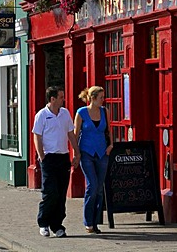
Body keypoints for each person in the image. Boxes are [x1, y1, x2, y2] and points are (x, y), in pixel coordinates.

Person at [32, 86, 80, 238]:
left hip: (63, 157)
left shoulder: (65, 114)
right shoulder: (41, 115)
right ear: (52, 99)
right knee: (50, 192)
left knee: (60, 194)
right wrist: (42, 156)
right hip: (49, 158)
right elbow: (37, 137)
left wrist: (76, 153)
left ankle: (57, 225)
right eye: (60, 97)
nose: (63, 99)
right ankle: (43, 223)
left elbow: (71, 134)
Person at [74, 86, 113, 234]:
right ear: (93, 98)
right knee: (92, 185)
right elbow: (75, 134)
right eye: (101, 97)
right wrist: (76, 154)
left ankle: (96, 222)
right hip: (86, 153)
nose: (103, 100)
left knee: (99, 188)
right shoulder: (81, 113)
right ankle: (88, 221)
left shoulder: (104, 111)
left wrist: (111, 145)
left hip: (102, 153)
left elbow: (109, 130)